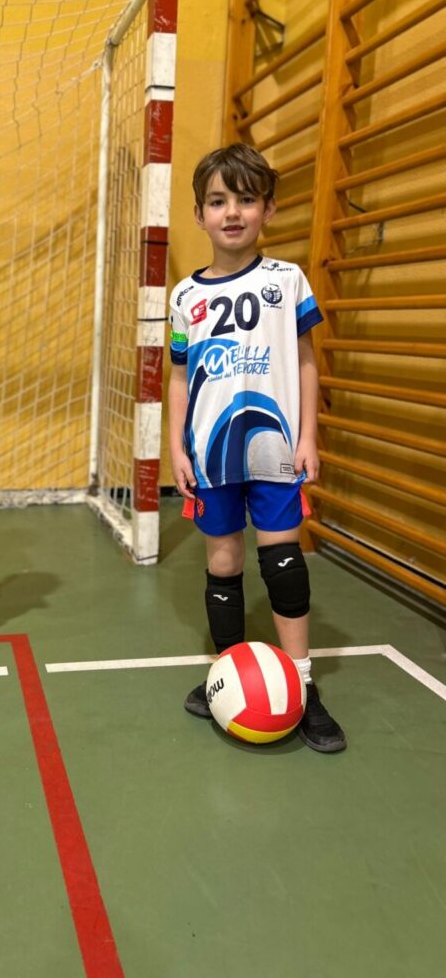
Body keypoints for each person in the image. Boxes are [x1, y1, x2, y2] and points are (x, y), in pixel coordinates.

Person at [168, 143, 346, 752]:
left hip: (273, 451)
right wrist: (177, 449)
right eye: (218, 201)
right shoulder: (183, 297)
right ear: (199, 215)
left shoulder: (285, 280)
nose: (232, 212)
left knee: (282, 562)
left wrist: (308, 436)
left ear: (267, 208)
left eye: (246, 199)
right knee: (224, 565)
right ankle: (230, 675)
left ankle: (300, 682)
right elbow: (176, 377)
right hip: (211, 455)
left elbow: (304, 360)